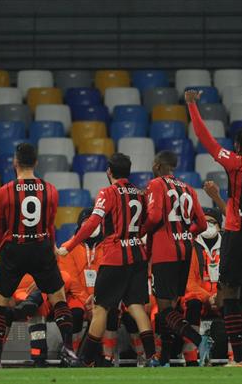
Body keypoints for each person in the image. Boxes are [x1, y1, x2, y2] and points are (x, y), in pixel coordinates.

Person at [186, 87, 242, 367]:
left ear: (237, 146)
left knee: (229, 294)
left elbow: (205, 138)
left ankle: (238, 357)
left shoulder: (234, 162)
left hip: (236, 235)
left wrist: (191, 106)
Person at [57, 153, 158, 367]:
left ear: (109, 171)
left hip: (114, 257)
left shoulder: (108, 192)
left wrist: (70, 245)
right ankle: (152, 357)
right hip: (137, 256)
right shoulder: (140, 194)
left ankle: (83, 359)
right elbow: (148, 223)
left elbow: (93, 221)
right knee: (137, 307)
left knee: (101, 308)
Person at [0, 143, 80, 367]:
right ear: (36, 162)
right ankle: (68, 350)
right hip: (41, 248)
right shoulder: (50, 190)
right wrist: (54, 247)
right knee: (58, 298)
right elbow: (49, 224)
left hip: (14, 250)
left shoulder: (4, 191)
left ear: (15, 162)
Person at [142, 150, 208, 366]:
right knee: (170, 307)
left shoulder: (156, 184)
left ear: (159, 165)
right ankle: (164, 359)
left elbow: (153, 217)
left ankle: (199, 340)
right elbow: (203, 224)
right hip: (185, 250)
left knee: (165, 309)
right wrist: (187, 233)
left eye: (154, 163)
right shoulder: (188, 188)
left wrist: (141, 231)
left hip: (165, 251)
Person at [57, 208, 105, 353]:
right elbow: (71, 279)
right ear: (80, 225)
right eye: (87, 223)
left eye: (95, 223)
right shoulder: (67, 247)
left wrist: (97, 298)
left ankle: (106, 356)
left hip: (101, 296)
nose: (91, 227)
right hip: (77, 297)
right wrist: (87, 301)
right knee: (75, 313)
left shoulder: (109, 247)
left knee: (110, 313)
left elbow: (109, 276)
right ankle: (74, 352)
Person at [180, 207, 223, 366]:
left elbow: (232, 277)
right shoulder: (191, 247)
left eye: (212, 222)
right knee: (193, 305)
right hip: (199, 298)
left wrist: (220, 296)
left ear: (219, 226)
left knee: (233, 304)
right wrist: (207, 297)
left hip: (221, 297)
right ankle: (190, 354)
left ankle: (237, 357)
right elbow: (189, 282)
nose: (208, 225)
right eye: (204, 222)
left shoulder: (228, 246)